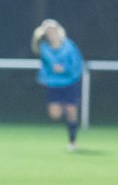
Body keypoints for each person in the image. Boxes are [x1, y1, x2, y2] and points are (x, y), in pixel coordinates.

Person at [31, 18, 86, 150]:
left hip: (69, 82)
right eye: (48, 31)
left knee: (71, 111)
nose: (51, 33)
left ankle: (72, 140)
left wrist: (66, 69)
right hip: (53, 83)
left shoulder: (69, 46)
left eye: (53, 30)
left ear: (58, 31)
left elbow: (77, 63)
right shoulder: (44, 47)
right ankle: (62, 105)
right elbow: (37, 49)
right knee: (54, 115)